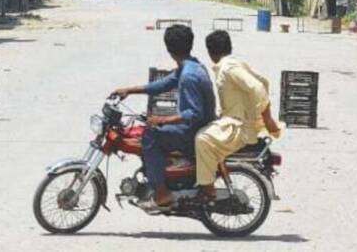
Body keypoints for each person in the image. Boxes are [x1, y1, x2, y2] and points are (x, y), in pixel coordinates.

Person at [113, 24, 216, 211]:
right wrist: (130, 90)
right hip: (197, 126)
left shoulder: (188, 76)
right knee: (151, 128)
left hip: (192, 131)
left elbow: (194, 112)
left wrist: (163, 120)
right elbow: (163, 84)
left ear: (169, 49)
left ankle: (161, 192)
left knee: (150, 135)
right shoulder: (192, 66)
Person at [195, 30, 281, 202]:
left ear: (210, 52)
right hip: (235, 122)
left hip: (238, 128)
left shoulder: (229, 68)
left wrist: (267, 119)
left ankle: (208, 190)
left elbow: (257, 87)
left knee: (202, 140)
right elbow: (262, 81)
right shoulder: (234, 63)